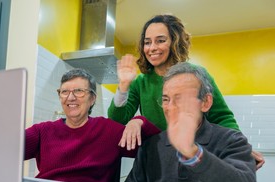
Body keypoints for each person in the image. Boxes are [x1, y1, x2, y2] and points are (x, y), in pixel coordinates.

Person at [107, 14, 265, 169]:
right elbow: (116, 120)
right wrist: (123, 85)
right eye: (147, 42)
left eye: (160, 40)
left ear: (175, 42)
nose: (152, 47)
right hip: (158, 159)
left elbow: (222, 117)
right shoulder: (140, 82)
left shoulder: (197, 75)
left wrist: (239, 147)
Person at [121, 62, 258, 182]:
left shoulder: (232, 140)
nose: (170, 107)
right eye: (166, 99)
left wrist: (194, 154)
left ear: (205, 102)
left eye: (181, 98)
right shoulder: (151, 146)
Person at [24, 68, 160, 182]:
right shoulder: (42, 131)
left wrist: (139, 122)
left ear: (92, 99)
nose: (70, 98)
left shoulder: (109, 130)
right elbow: (8, 147)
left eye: (79, 91)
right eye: (64, 92)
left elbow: (158, 148)